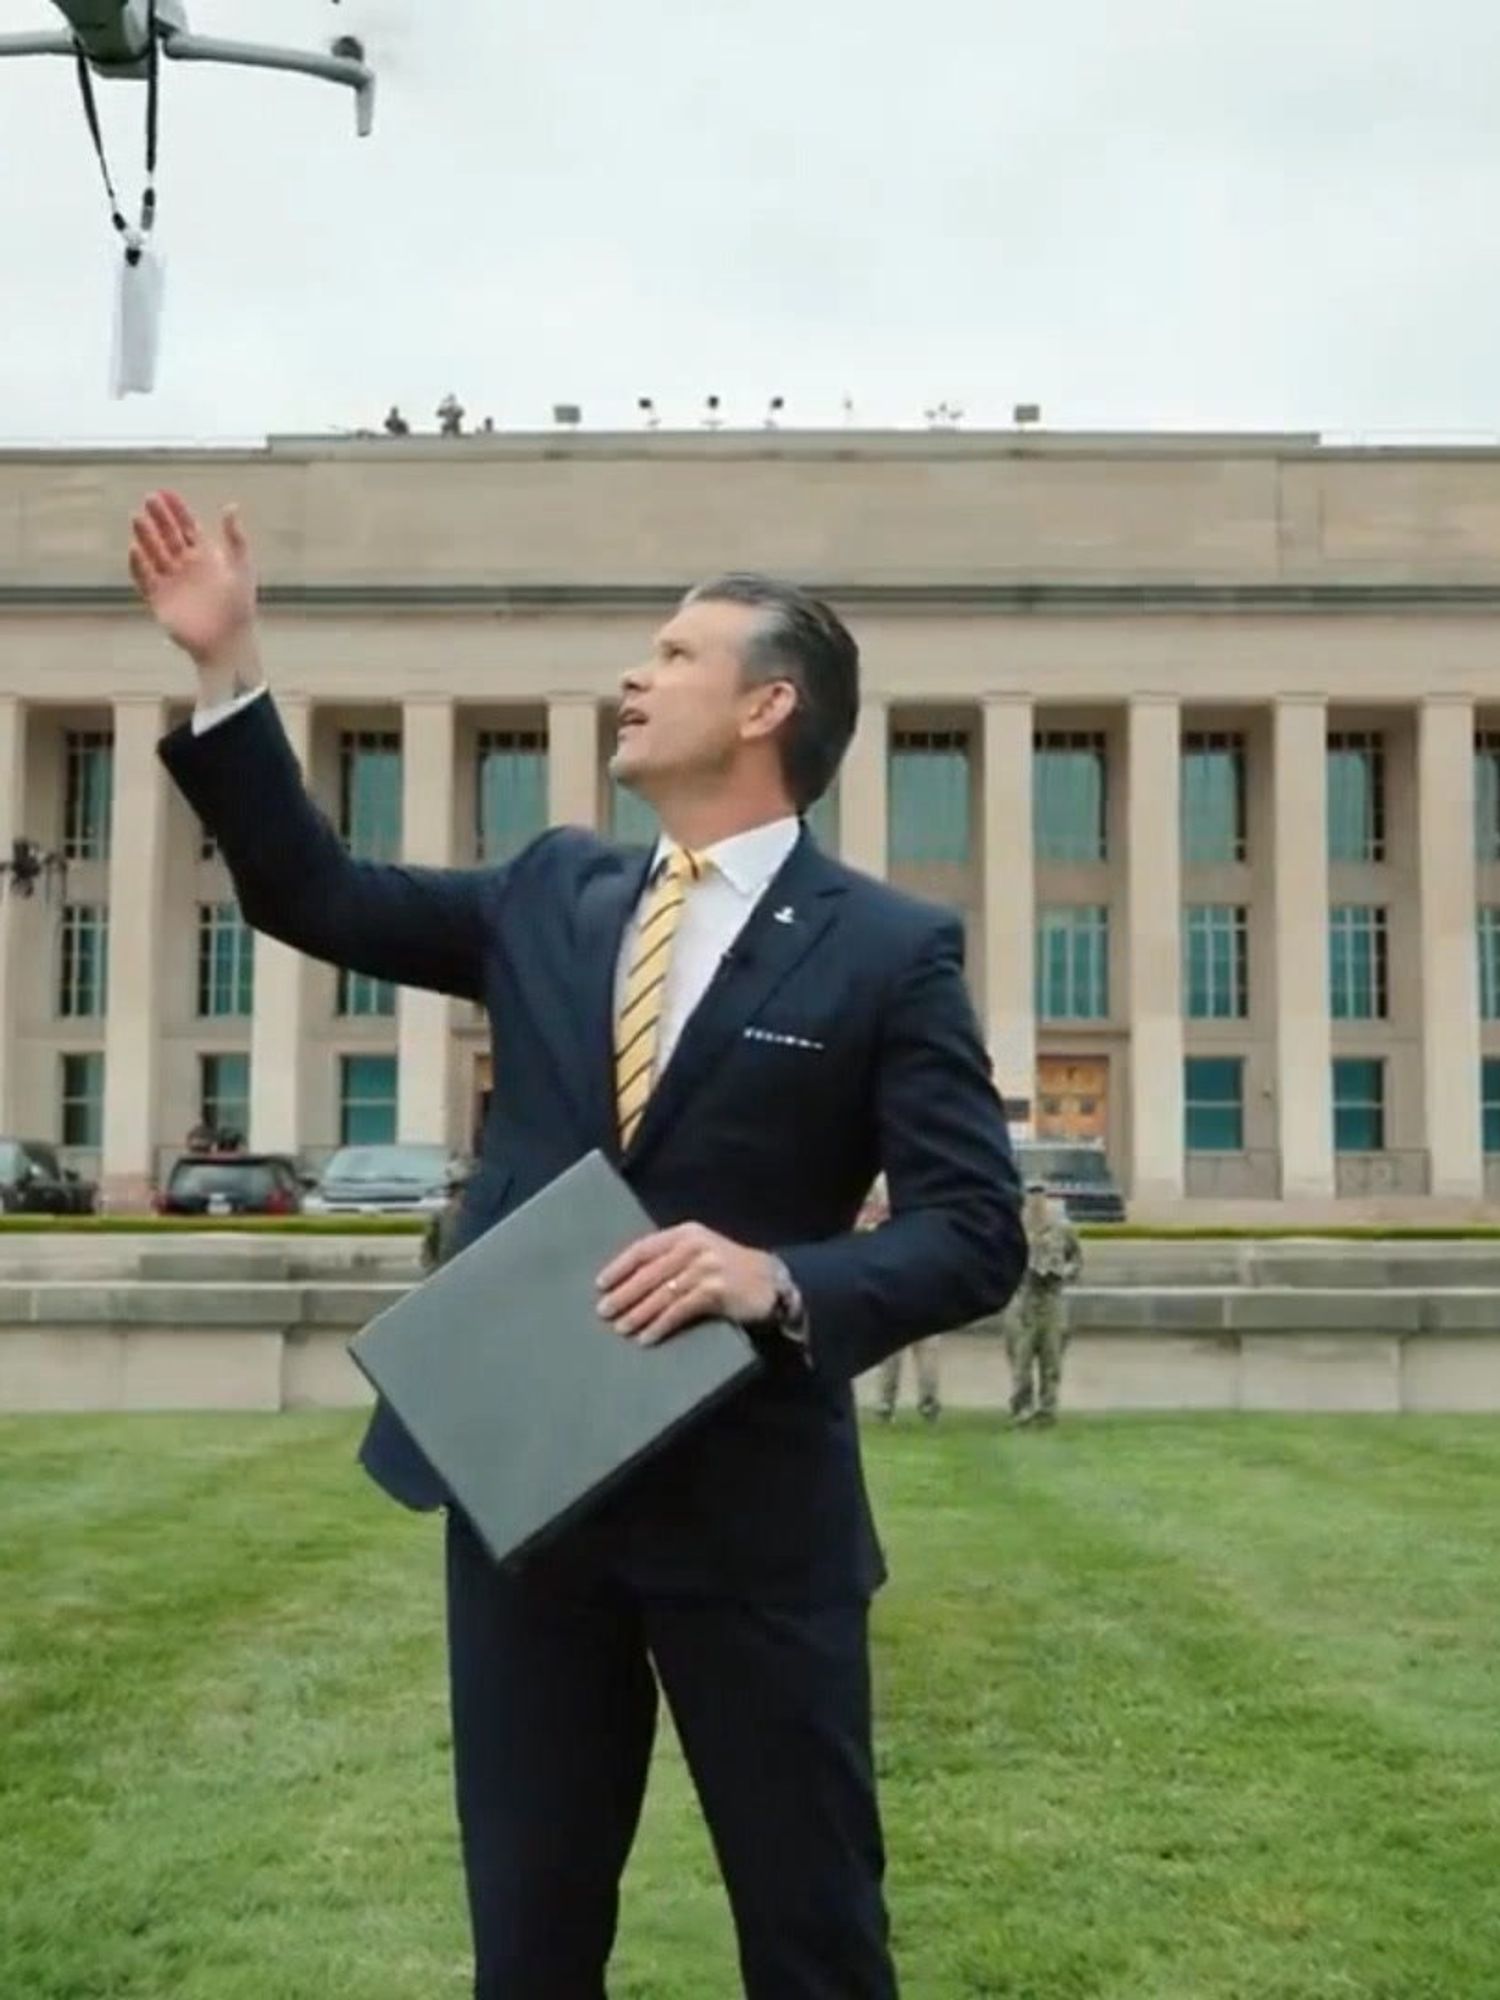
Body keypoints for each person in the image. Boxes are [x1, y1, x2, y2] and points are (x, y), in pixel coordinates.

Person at [128, 488, 1026, 2000]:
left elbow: (973, 1234)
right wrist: (227, 670)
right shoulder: (552, 891)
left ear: (767, 702)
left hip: (755, 1523)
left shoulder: (887, 949)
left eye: (673, 653)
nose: (635, 675)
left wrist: (779, 1278)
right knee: (530, 1949)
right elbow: (315, 892)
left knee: (814, 1943)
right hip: (529, 1509)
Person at [862, 1175, 941, 1422]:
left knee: (896, 1357)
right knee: (921, 1356)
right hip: (921, 1296)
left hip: (899, 1296)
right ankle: (926, 1406)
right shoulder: (928, 1225)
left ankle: (887, 1405)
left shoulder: (888, 1229)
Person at [1006, 1178, 1082, 1427]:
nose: (1036, 1198)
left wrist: (1065, 1271)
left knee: (1052, 1359)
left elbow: (1077, 1260)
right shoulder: (1013, 1227)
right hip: (1023, 1299)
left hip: (1051, 1299)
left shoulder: (1062, 1227)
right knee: (1021, 1360)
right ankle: (1021, 1408)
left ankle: (1048, 1409)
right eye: (1031, 1193)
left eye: (1040, 1193)